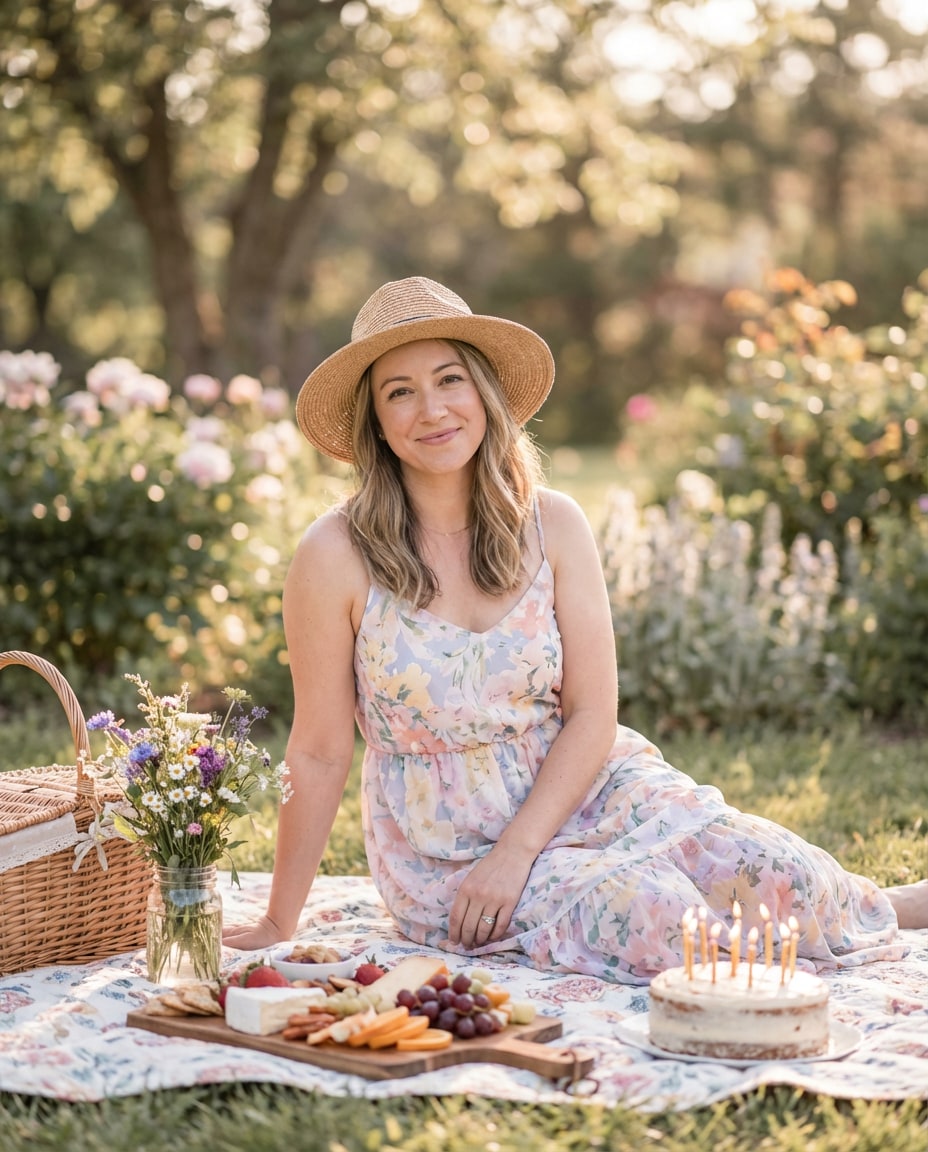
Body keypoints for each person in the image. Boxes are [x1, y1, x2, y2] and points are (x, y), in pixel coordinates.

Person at [224, 276, 927, 982]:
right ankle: (760, 989)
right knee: (656, 918)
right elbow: (318, 752)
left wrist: (520, 849)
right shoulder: (334, 554)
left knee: (779, 872)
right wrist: (279, 921)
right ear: (375, 421)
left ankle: (877, 908)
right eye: (400, 392)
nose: (432, 409)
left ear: (484, 392)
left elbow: (593, 713)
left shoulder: (553, 523)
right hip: (448, 846)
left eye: (450, 379)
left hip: (584, 786)